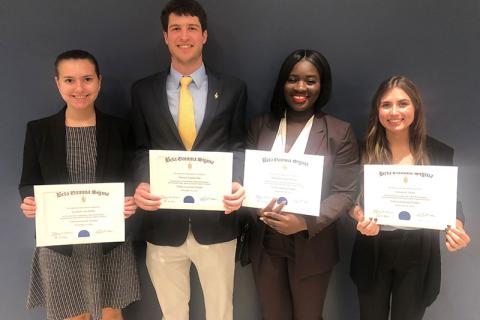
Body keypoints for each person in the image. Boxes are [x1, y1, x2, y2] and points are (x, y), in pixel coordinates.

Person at [130, 0, 247, 319]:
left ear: (204, 35)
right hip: (163, 222)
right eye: (176, 29)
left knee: (221, 312)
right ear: (165, 37)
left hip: (217, 222)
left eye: (192, 28)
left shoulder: (234, 89)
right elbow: (141, 148)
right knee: (172, 313)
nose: (184, 36)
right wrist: (141, 184)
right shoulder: (142, 91)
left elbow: (237, 146)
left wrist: (238, 182)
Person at [18, 49, 140, 320]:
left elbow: (132, 175)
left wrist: (130, 198)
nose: (80, 88)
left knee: (111, 314)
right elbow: (28, 182)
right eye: (69, 80)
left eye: (87, 79)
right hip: (61, 245)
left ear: (99, 81)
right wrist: (28, 201)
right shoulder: (38, 130)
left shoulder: (120, 128)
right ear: (57, 83)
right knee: (73, 316)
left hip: (109, 241)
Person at [246, 49, 359, 320]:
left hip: (312, 242)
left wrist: (305, 222)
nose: (300, 87)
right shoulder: (261, 125)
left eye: (310, 80)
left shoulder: (338, 131)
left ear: (322, 85)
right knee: (272, 315)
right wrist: (256, 207)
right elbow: (244, 177)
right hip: (266, 239)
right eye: (293, 79)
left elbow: (345, 192)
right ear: (282, 83)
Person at [350, 75, 471, 320]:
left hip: (418, 251)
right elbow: (350, 197)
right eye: (386, 105)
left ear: (416, 107)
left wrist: (457, 227)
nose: (394, 111)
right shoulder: (362, 149)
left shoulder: (438, 151)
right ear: (377, 110)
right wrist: (358, 215)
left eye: (403, 103)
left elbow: (452, 201)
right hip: (372, 247)